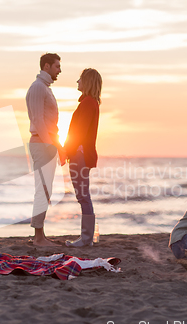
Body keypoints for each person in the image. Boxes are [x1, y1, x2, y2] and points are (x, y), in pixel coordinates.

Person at [26, 53, 66, 246]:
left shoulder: (44, 88)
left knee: (45, 189)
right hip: (41, 144)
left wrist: (56, 145)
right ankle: (39, 237)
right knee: (42, 189)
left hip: (47, 143)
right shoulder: (37, 88)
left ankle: (39, 235)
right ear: (47, 66)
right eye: (57, 66)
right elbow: (38, 121)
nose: (60, 70)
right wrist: (50, 144)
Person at [63, 68, 102, 247]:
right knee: (83, 195)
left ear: (86, 82)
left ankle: (86, 239)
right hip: (81, 154)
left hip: (79, 154)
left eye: (80, 79)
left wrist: (66, 151)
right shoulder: (90, 102)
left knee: (83, 196)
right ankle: (86, 238)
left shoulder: (87, 103)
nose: (77, 82)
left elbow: (79, 133)